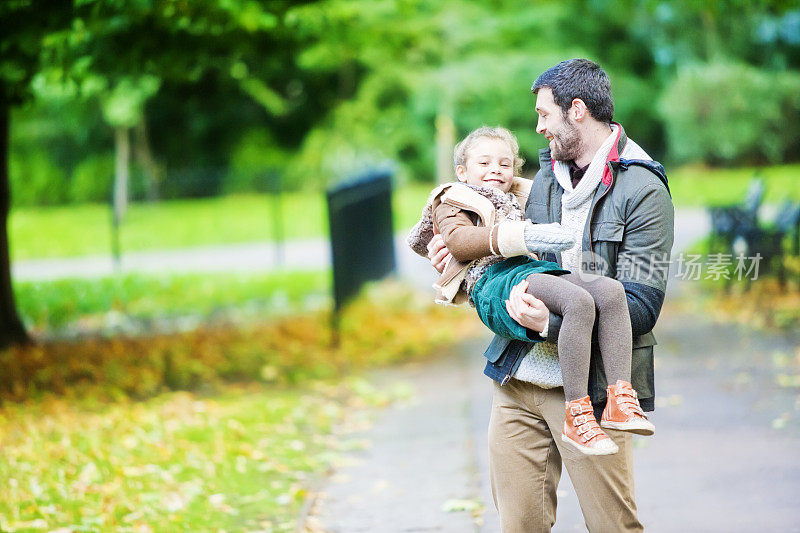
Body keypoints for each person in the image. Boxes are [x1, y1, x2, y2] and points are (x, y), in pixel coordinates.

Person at [427, 59, 674, 532]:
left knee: (612, 527)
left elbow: (640, 306)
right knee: (520, 526)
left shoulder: (643, 189)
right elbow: (497, 248)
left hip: (593, 393)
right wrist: (455, 252)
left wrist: (549, 323)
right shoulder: (543, 178)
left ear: (577, 110)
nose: (538, 127)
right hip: (517, 382)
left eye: (545, 114)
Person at [407, 126, 655, 456]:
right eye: (484, 163)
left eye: (504, 163)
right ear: (462, 172)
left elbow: (556, 193)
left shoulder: (517, 195)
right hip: (493, 280)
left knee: (609, 291)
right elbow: (458, 241)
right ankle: (577, 413)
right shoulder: (452, 198)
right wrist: (523, 236)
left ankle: (620, 397)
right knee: (577, 301)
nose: (495, 169)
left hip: (527, 271)